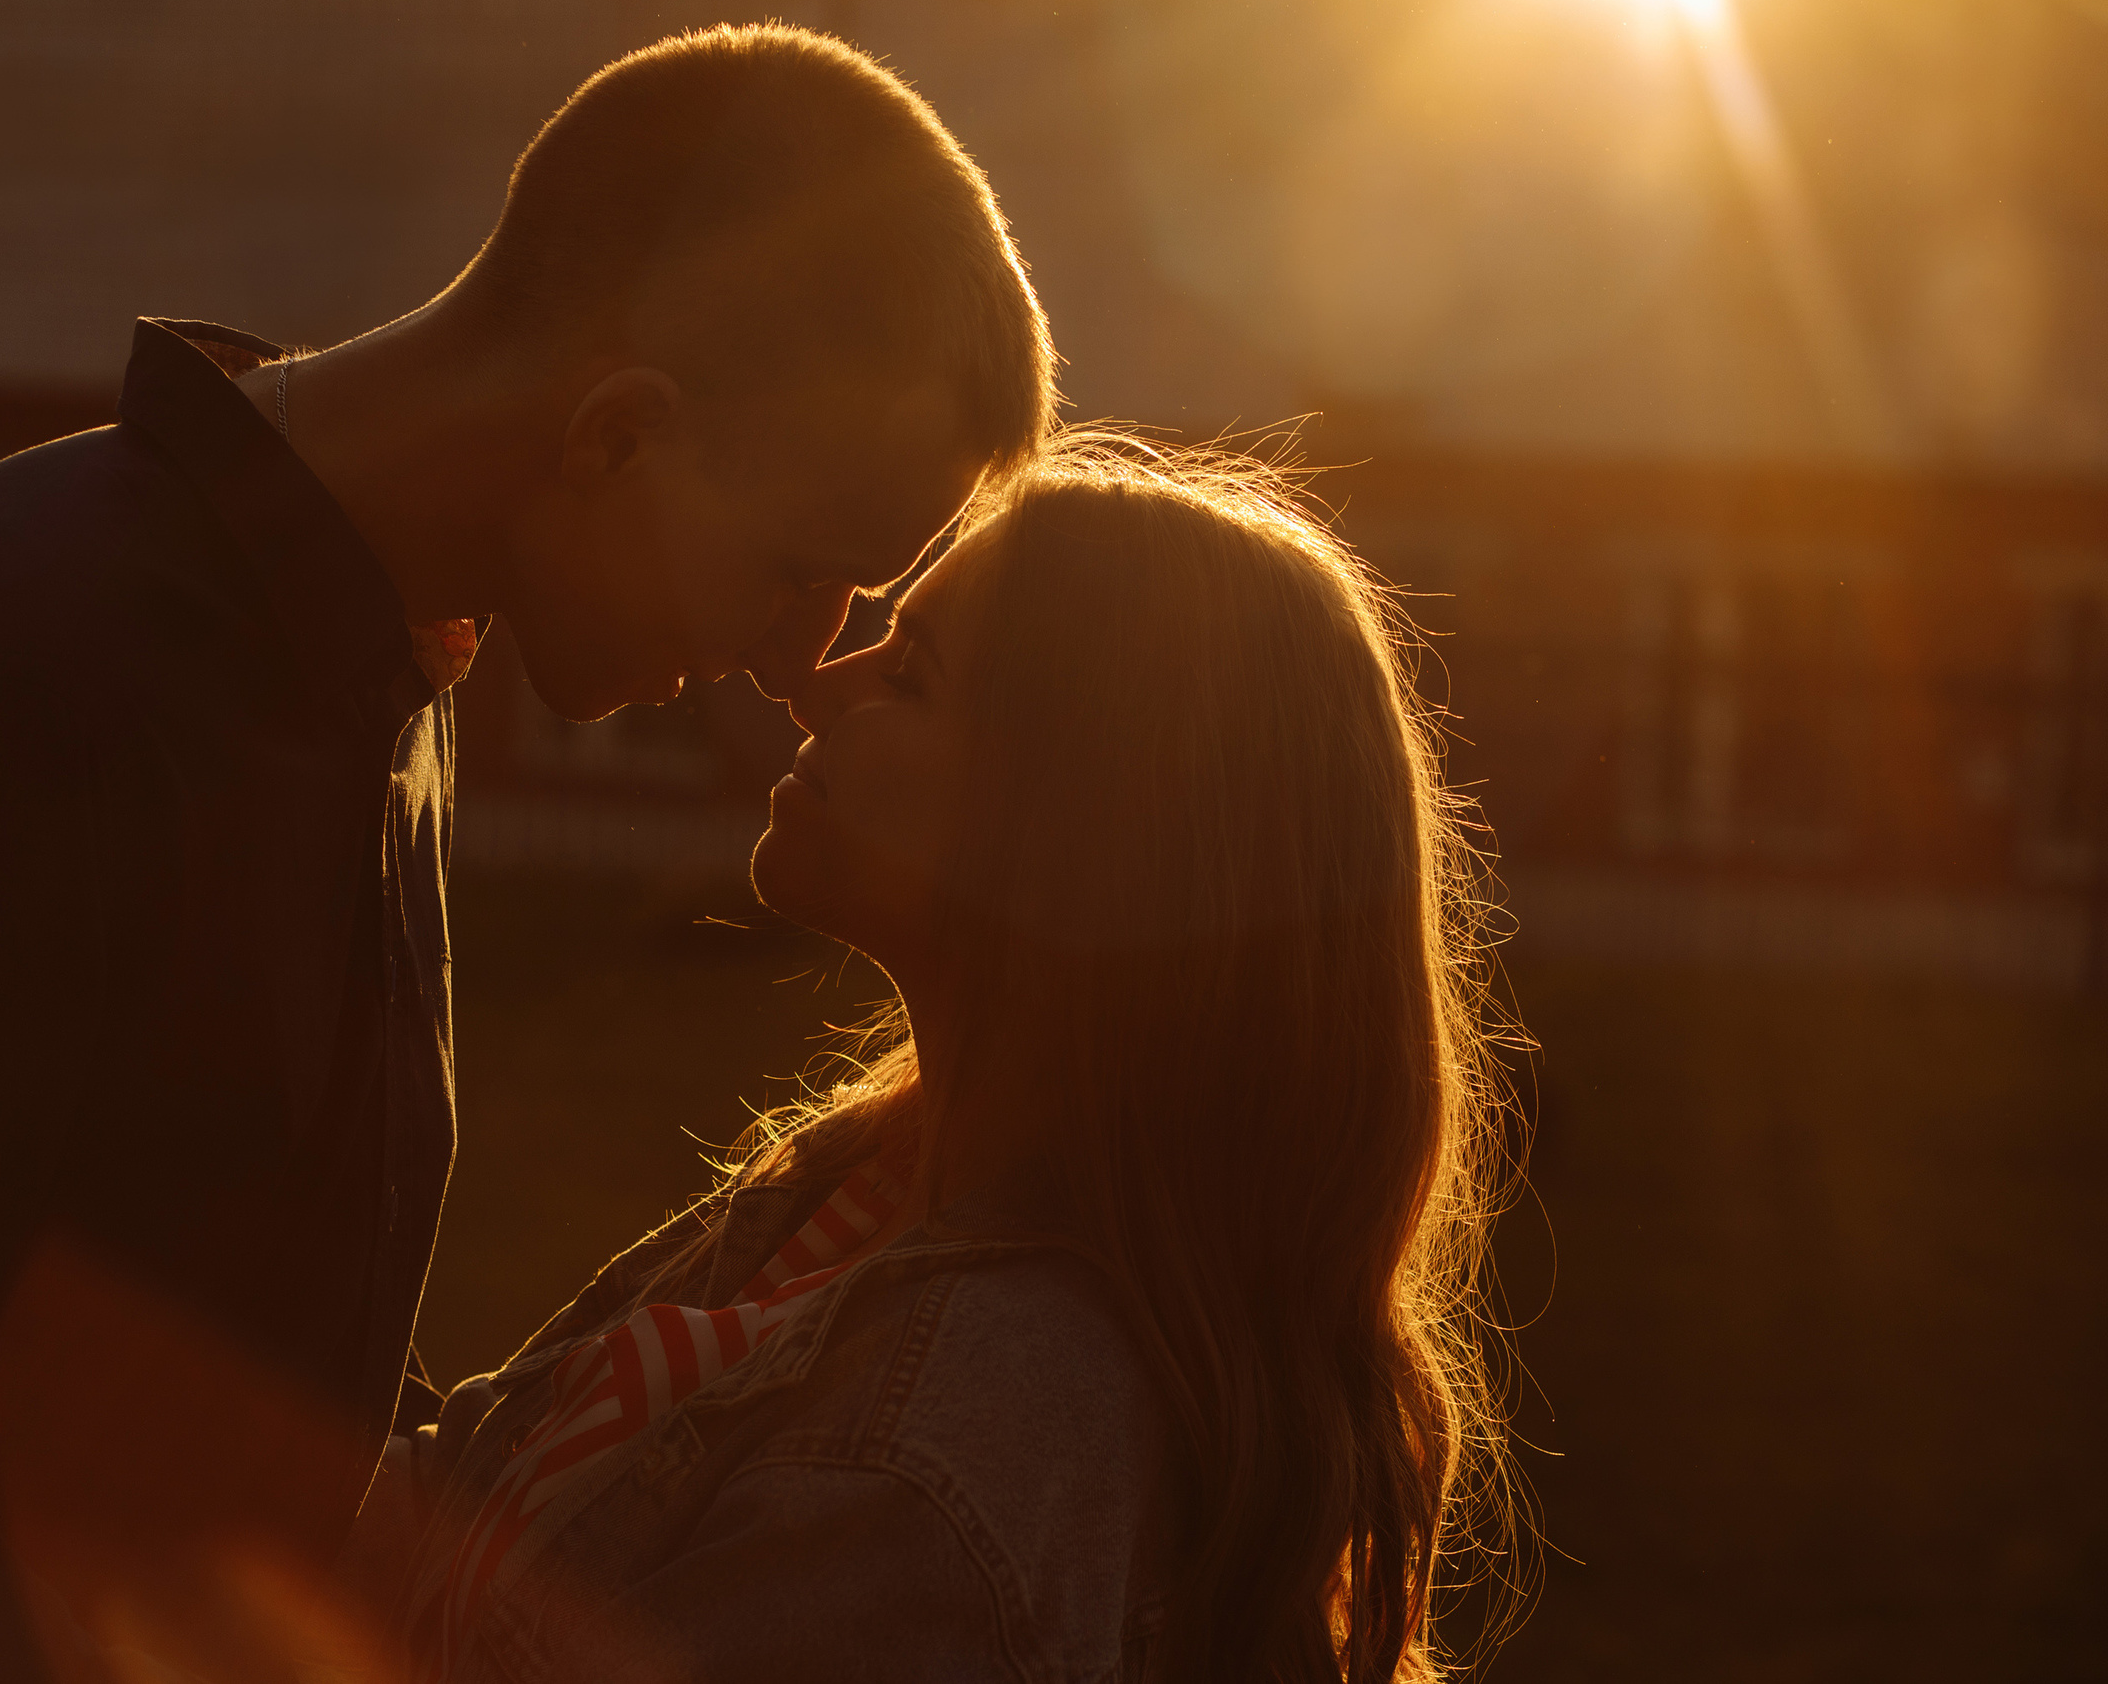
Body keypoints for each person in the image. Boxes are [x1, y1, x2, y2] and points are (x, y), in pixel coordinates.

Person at [0, 24, 1053, 1682]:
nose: (800, 657)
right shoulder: (54, 676)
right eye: (799, 569)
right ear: (617, 434)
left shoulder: (380, 682)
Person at [343, 442, 1517, 1684]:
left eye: (908, 673)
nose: (817, 686)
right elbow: (438, 1500)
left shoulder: (947, 1468)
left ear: (1076, 828)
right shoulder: (866, 1190)